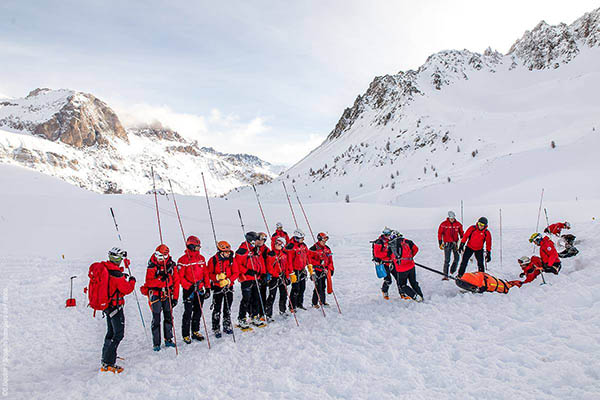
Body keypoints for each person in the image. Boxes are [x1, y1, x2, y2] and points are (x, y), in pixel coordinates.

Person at [100, 247, 136, 374]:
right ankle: (109, 363)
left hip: (107, 306)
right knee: (118, 334)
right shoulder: (116, 275)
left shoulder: (107, 269)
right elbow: (126, 289)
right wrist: (131, 281)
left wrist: (122, 275)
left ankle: (106, 359)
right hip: (116, 307)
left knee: (110, 333)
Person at [143, 244, 180, 351]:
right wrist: (160, 281)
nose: (158, 259)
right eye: (157, 256)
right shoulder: (152, 265)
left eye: (161, 257)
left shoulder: (171, 266)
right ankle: (156, 343)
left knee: (168, 317)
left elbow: (176, 282)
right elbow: (149, 282)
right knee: (156, 319)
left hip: (168, 294)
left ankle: (168, 339)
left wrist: (175, 297)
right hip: (155, 295)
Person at [177, 236, 210, 344]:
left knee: (198, 311)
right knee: (188, 312)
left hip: (199, 289)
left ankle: (195, 331)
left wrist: (208, 287)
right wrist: (189, 286)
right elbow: (180, 277)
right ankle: (185, 334)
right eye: (197, 246)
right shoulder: (183, 260)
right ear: (191, 246)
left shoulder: (201, 258)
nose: (199, 248)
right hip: (189, 290)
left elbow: (205, 273)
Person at [235, 231, 267, 329]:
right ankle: (241, 318)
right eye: (256, 239)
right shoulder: (242, 250)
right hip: (246, 278)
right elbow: (237, 264)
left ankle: (254, 316)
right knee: (246, 299)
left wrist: (263, 273)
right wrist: (247, 271)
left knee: (256, 297)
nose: (258, 241)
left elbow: (260, 261)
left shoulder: (256, 250)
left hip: (256, 277)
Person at [208, 241, 239, 337]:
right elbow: (209, 274)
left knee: (227, 308)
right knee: (217, 309)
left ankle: (227, 325)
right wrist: (217, 277)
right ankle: (216, 327)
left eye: (229, 252)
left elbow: (236, 272)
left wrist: (229, 280)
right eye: (226, 252)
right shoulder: (213, 260)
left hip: (229, 287)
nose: (228, 253)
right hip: (218, 287)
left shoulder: (231, 260)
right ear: (221, 252)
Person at [389, 232, 423, 301]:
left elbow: (389, 257)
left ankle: (415, 296)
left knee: (402, 285)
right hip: (411, 266)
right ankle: (421, 296)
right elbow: (416, 249)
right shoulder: (408, 241)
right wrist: (410, 257)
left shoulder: (391, 245)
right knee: (413, 282)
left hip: (401, 269)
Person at [265, 236, 293, 320]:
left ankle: (282, 310)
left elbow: (287, 265)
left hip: (283, 276)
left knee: (283, 295)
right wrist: (276, 274)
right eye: (276, 243)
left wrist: (287, 276)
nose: (277, 245)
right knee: (272, 296)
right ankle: (268, 314)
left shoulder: (284, 254)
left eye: (279, 244)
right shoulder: (271, 254)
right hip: (274, 278)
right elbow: (269, 267)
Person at [286, 229, 310, 310]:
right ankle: (292, 306)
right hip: (295, 271)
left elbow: (307, 256)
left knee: (302, 288)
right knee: (295, 288)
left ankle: (299, 304)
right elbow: (289, 261)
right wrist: (291, 273)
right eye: (301, 238)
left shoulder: (303, 245)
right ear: (296, 238)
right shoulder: (291, 247)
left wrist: (309, 266)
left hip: (302, 269)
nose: (303, 240)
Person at [308, 232, 334, 308]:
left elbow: (330, 260)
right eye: (323, 240)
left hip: (324, 270)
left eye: (325, 240)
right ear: (319, 240)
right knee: (317, 286)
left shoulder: (327, 248)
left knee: (323, 286)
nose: (324, 242)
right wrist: (318, 262)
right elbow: (309, 260)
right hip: (317, 270)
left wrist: (331, 269)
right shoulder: (313, 248)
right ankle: (314, 302)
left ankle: (322, 301)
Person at [437, 211, 464, 279]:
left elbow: (461, 233)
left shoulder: (458, 224)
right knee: (447, 260)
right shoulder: (443, 224)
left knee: (457, 258)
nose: (452, 219)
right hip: (447, 244)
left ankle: (452, 270)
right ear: (448, 217)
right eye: (451, 218)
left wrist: (462, 242)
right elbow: (440, 233)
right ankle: (445, 275)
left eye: (453, 218)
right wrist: (440, 243)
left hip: (455, 244)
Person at [372, 227, 396, 300]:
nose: (387, 235)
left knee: (399, 278)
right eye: (386, 234)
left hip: (392, 262)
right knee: (388, 280)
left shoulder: (391, 241)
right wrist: (387, 254)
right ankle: (384, 291)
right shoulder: (379, 242)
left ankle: (402, 293)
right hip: (384, 263)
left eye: (388, 234)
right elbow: (377, 254)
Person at [255, 232, 270, 321]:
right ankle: (254, 313)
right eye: (259, 240)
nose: (261, 242)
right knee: (254, 295)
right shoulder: (253, 249)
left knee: (263, 294)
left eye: (263, 240)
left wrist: (267, 274)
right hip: (254, 275)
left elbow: (268, 262)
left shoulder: (266, 250)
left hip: (263, 275)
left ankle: (262, 312)